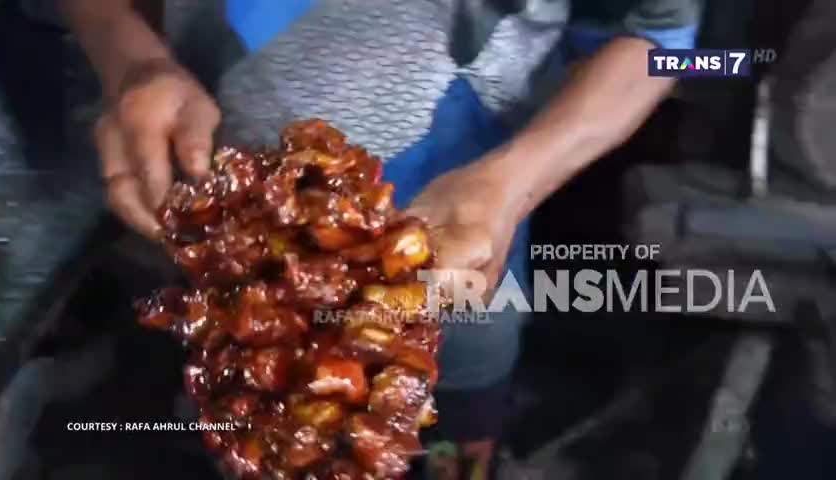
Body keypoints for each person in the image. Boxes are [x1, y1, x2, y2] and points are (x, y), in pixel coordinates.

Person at [56, 0, 700, 478]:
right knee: (266, 429)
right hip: (239, 245)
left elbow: (667, 47)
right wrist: (131, 60)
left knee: (457, 418)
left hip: (463, 236)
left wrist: (513, 182)